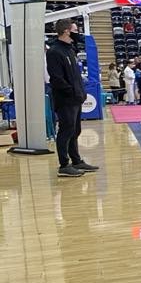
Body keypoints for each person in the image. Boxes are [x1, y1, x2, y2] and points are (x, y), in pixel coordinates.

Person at [45, 19, 98, 177]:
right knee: (66, 131)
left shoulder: (70, 49)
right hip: (65, 99)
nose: (78, 33)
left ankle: (76, 160)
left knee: (75, 130)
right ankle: (64, 165)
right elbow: (56, 78)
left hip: (76, 98)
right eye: (75, 30)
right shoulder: (55, 51)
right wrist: (71, 92)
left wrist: (80, 92)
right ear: (67, 31)